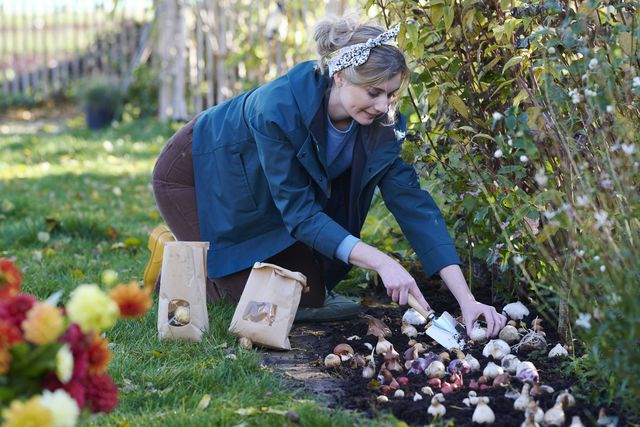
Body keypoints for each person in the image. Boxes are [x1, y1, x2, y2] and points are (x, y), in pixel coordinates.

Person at [147, 15, 507, 336]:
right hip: (195, 173)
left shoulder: (380, 124)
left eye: (391, 94)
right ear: (339, 75)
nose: (383, 105)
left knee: (310, 293)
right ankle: (177, 259)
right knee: (258, 300)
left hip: (257, 190)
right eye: (373, 92)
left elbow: (413, 205)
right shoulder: (277, 108)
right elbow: (301, 214)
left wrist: (466, 299)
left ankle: (213, 258)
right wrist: (383, 262)